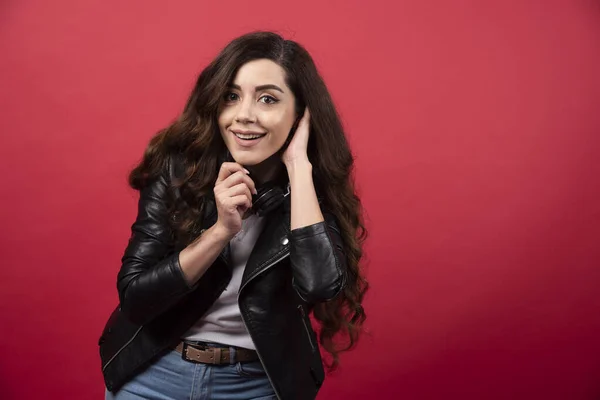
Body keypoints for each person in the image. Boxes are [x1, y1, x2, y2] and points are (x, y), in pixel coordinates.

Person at [99, 31, 368, 400]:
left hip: (255, 385)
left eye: (268, 99)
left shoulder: (311, 192)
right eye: (231, 96)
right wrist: (220, 231)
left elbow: (320, 285)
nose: (244, 115)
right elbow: (136, 299)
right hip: (154, 376)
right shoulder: (178, 170)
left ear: (300, 115)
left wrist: (299, 169)